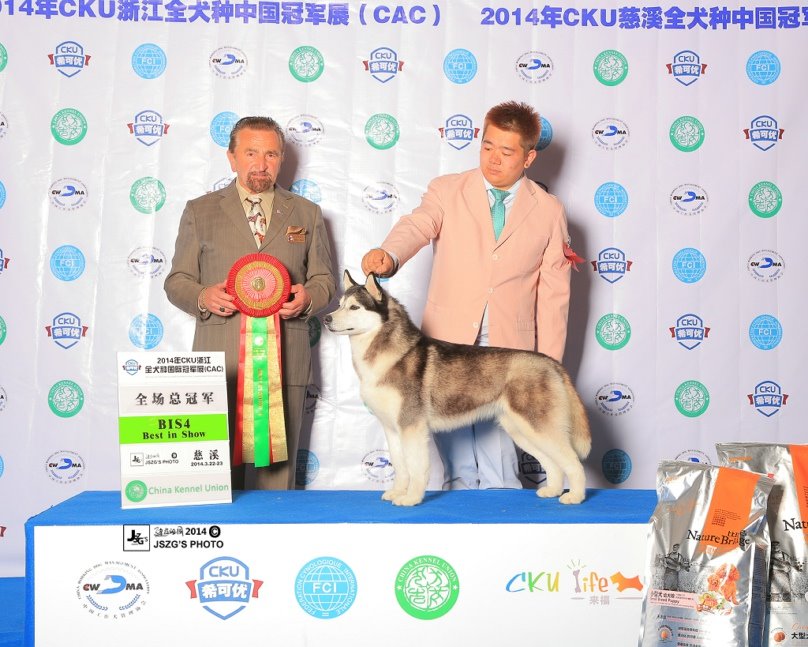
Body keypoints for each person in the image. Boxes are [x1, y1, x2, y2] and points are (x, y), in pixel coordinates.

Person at [361, 101, 574, 491]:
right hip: (447, 342)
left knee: (501, 456)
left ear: (529, 157)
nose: (493, 159)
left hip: (508, 349)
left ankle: (501, 508)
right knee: (445, 447)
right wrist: (389, 254)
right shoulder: (447, 190)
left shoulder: (549, 211)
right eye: (487, 146)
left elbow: (554, 297)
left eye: (506, 151)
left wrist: (547, 366)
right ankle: (446, 509)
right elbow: (417, 225)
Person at [165, 116, 336, 490]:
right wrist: (202, 296)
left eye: (271, 154)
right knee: (214, 483)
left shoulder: (307, 213)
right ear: (231, 158)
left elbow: (325, 280)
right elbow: (176, 281)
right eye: (251, 153)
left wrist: (308, 298)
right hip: (219, 364)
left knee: (275, 486)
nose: (261, 164)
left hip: (285, 363)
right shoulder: (199, 211)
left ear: (282, 158)